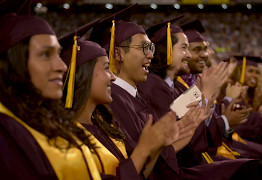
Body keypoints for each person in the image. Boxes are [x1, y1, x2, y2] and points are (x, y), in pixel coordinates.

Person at [137, 16, 262, 179]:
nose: (188, 55)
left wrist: (206, 96)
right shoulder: (154, 86)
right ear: (166, 50)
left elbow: (191, 122)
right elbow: (180, 128)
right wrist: (207, 96)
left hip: (192, 160)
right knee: (253, 168)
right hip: (175, 170)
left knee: (257, 163)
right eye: (184, 48)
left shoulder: (177, 86)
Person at [60, 13, 187, 179]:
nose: (150, 55)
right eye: (184, 48)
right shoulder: (126, 97)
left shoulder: (102, 123)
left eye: (151, 48)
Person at [0, 7, 101, 180]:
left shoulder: (46, 118)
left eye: (58, 54)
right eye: (46, 55)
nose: (62, 66)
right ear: (14, 62)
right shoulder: (5, 136)